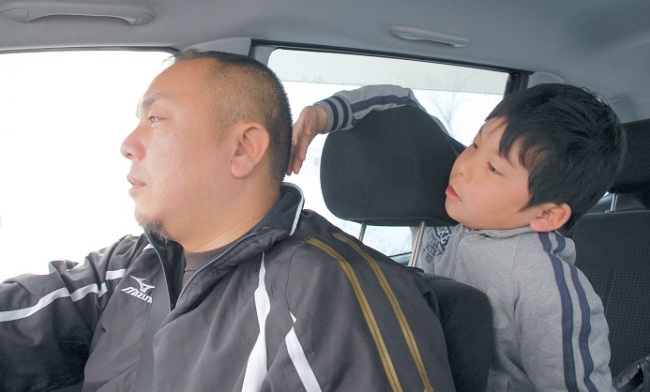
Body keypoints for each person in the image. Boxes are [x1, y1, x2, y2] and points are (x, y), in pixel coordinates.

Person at [0, 52, 457, 391]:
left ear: (243, 149)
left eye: (156, 118)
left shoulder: (333, 294)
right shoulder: (135, 261)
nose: (128, 143)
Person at [289, 83, 626, 391]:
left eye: (493, 168)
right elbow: (403, 108)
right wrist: (323, 115)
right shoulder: (444, 213)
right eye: (475, 144)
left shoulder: (545, 283)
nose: (464, 166)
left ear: (546, 214)